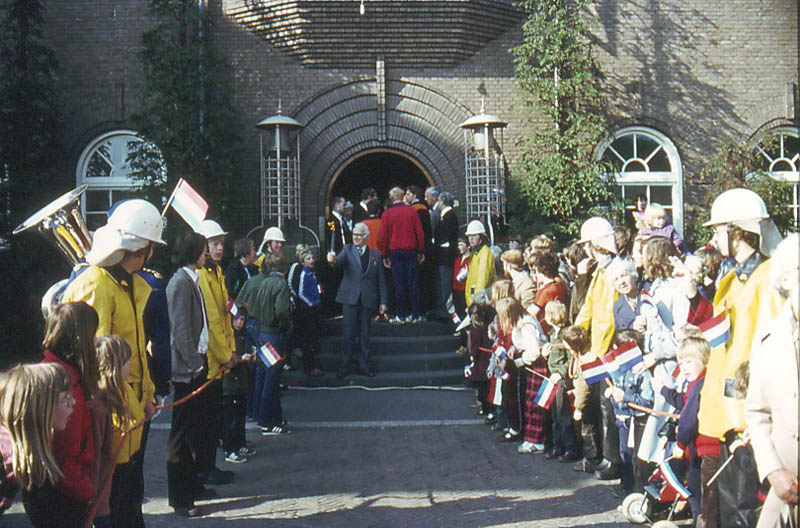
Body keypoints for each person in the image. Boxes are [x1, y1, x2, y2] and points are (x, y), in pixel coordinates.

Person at [62, 199, 164, 528]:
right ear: (144, 248)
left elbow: (135, 351)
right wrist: (131, 403)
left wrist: (146, 395)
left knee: (128, 496)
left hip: (129, 411)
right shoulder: (96, 285)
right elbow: (98, 363)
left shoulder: (127, 283)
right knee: (112, 502)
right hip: (112, 416)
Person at [698, 189, 783, 524]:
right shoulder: (733, 277)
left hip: (748, 408)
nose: (714, 238)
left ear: (738, 231)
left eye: (719, 230)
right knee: (727, 503)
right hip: (726, 407)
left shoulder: (769, 277)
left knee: (745, 505)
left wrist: (757, 412)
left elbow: (772, 348)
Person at [745, 233, 799, 528]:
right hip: (785, 491)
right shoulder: (768, 339)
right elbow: (757, 413)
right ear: (786, 279)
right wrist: (773, 471)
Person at [37, 302, 100, 526]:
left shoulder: (54, 370)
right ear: (81, 339)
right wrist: (86, 491)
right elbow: (65, 455)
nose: (96, 341)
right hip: (65, 494)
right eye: (93, 335)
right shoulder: (66, 386)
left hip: (53, 491)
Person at [165, 231, 213, 518]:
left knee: (194, 430)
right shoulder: (180, 283)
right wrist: (195, 364)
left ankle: (192, 485)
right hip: (187, 369)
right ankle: (179, 498)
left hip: (197, 363)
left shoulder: (190, 280)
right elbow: (181, 332)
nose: (207, 254)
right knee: (181, 436)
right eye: (203, 250)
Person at [0, 363, 75, 527]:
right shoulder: (7, 458)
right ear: (40, 407)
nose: (74, 402)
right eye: (67, 398)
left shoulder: (24, 454)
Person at [660, 335, 719, 526]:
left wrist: (680, 443)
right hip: (701, 448)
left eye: (689, 362)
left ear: (704, 360)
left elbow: (688, 418)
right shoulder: (697, 383)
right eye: (681, 363)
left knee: (701, 497)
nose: (684, 367)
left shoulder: (700, 385)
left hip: (706, 449)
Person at [195, 219, 236, 486]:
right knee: (208, 419)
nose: (219, 248)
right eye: (214, 243)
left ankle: (208, 466)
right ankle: (205, 468)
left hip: (217, 358)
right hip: (210, 361)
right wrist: (226, 355)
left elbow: (224, 316)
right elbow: (211, 320)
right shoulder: (203, 275)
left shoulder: (216, 272)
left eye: (221, 243)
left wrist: (230, 349)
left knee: (213, 418)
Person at [237, 251, 293, 436]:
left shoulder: (264, 282)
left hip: (262, 333)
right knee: (272, 378)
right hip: (274, 334)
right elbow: (282, 311)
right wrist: (287, 326)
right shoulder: (280, 284)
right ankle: (269, 422)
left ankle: (266, 417)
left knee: (263, 375)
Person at [328, 222, 389, 379]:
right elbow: (337, 263)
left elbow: (381, 280)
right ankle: (345, 366)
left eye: (359, 235)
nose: (355, 237)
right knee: (348, 334)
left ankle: (364, 365)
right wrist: (332, 260)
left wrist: (383, 301)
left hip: (367, 299)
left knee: (365, 335)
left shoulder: (375, 255)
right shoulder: (347, 250)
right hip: (350, 298)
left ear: (366, 237)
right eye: (354, 234)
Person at [91, 335, 135, 528]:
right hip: (97, 498)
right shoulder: (99, 408)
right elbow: (96, 457)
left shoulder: (107, 400)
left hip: (103, 494)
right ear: (116, 367)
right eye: (127, 362)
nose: (130, 367)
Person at [379, 186, 425, 323]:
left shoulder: (387, 214)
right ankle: (416, 314)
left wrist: (384, 255)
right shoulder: (412, 211)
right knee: (413, 283)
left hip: (395, 252)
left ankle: (401, 315)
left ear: (391, 198)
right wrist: (421, 250)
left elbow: (383, 237)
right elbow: (419, 232)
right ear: (402, 196)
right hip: (411, 251)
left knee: (398, 284)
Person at [223, 307, 257, 463]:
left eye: (242, 319)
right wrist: (240, 358)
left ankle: (240, 443)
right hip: (230, 382)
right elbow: (226, 356)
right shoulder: (228, 335)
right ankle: (229, 448)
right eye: (236, 319)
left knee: (240, 415)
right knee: (231, 418)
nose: (238, 323)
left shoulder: (245, 335)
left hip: (241, 381)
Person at [406, 185, 435, 315]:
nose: (406, 196)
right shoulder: (423, 209)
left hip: (418, 248)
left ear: (414, 195)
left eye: (408, 194)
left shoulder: (417, 210)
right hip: (425, 247)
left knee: (418, 280)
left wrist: (419, 250)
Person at [296, 248, 323, 376]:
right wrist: (310, 302)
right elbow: (301, 292)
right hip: (308, 309)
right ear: (303, 262)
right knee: (308, 339)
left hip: (315, 307)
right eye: (308, 259)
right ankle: (308, 367)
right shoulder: (304, 274)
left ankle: (312, 366)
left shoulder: (313, 273)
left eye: (312, 258)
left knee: (313, 338)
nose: (311, 260)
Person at [432, 191, 459, 320]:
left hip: (445, 257)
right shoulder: (446, 216)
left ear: (443, 202)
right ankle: (441, 309)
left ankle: (445, 311)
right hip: (442, 256)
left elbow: (447, 237)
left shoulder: (450, 216)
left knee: (445, 282)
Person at [464, 220, 495, 307]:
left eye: (474, 235)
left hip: (479, 302)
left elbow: (482, 279)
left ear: (481, 237)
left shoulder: (485, 253)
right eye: (469, 235)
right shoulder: (475, 253)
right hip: (473, 300)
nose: (471, 238)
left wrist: (476, 302)